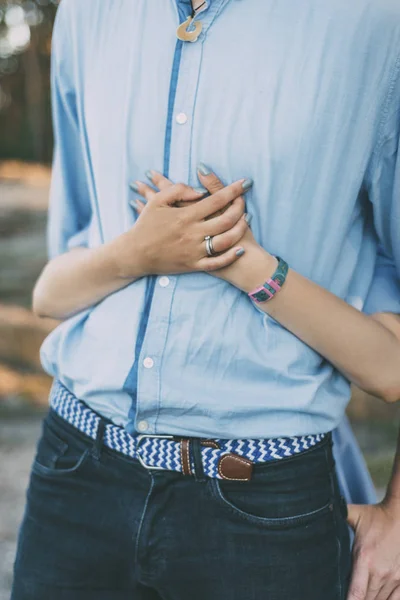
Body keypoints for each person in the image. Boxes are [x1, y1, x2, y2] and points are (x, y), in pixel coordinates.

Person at [11, 0, 400, 598]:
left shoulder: (376, 22)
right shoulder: (87, 12)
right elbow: (63, 270)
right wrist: (140, 252)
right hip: (75, 471)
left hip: (264, 504)